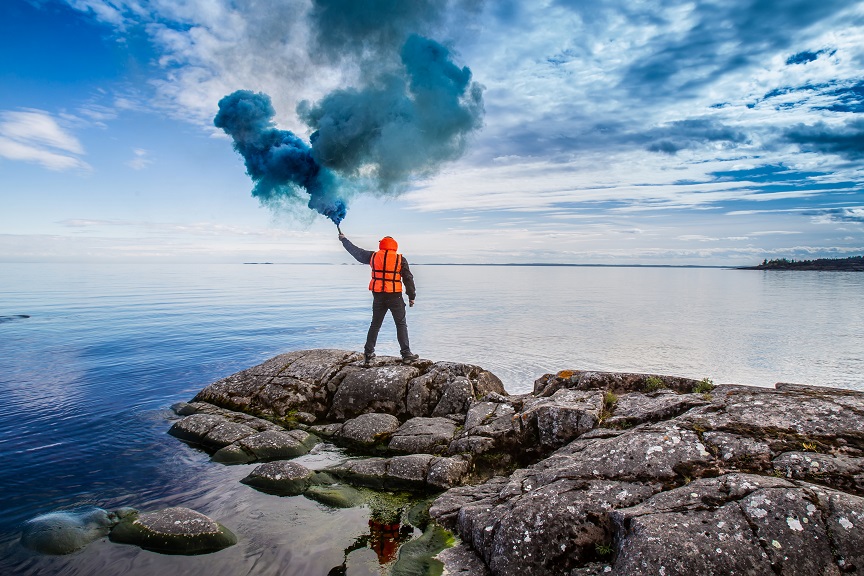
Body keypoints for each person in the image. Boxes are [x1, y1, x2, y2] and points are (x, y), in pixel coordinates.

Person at [339, 232, 419, 365]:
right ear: (395, 246)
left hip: (378, 296)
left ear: (381, 245)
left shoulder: (373, 256)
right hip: (395, 296)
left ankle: (368, 355)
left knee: (375, 325)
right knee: (401, 324)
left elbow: (356, 252)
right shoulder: (400, 259)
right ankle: (406, 354)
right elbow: (408, 278)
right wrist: (411, 296)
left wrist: (344, 240)